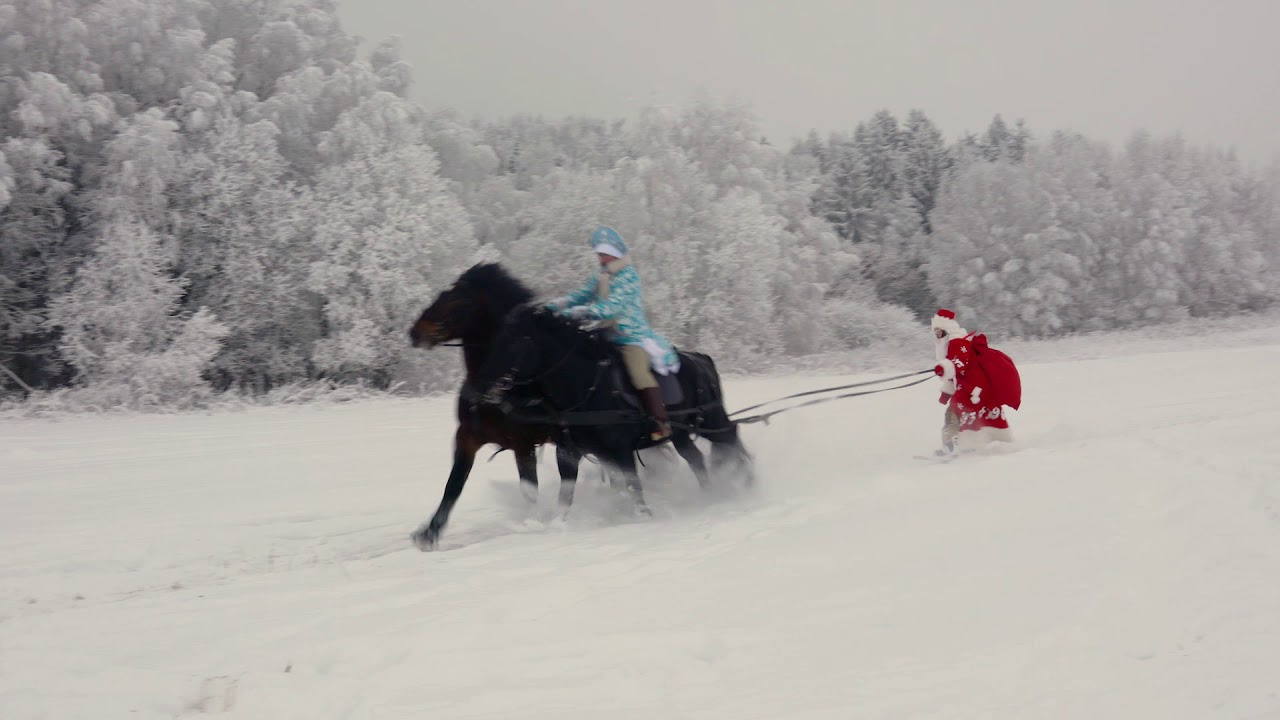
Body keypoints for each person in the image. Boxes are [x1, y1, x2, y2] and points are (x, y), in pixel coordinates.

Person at [547, 226, 680, 441]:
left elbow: (612, 307)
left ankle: (660, 421)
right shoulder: (602, 276)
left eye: (602, 253)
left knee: (638, 373)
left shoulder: (629, 276)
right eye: (599, 254)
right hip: (605, 335)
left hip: (630, 338)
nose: (600, 258)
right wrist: (556, 305)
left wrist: (579, 312)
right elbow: (581, 294)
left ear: (615, 253)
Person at [931, 308, 1017, 455]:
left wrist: (943, 368)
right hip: (969, 388)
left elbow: (958, 363)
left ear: (946, 330)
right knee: (962, 415)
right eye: (935, 332)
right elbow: (954, 374)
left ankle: (952, 447)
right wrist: (946, 392)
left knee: (953, 414)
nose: (937, 335)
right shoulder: (951, 344)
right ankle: (967, 445)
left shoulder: (957, 342)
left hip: (973, 388)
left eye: (939, 332)